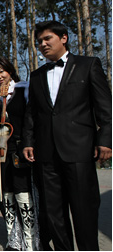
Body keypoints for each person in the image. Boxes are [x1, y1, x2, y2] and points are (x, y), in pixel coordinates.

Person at [23, 21, 112, 251]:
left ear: (63, 38)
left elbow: (106, 108)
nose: (42, 44)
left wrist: (106, 141)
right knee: (54, 212)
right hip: (46, 154)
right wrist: (29, 142)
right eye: (39, 41)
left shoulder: (88, 65)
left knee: (84, 210)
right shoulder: (36, 75)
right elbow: (32, 112)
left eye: (47, 39)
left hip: (79, 150)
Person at [0, 57, 37, 250]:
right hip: (0, 147)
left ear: (10, 70)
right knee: (5, 193)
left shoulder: (24, 88)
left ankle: (30, 240)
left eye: (1, 72)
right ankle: (13, 238)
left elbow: (33, 117)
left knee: (23, 193)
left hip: (20, 147)